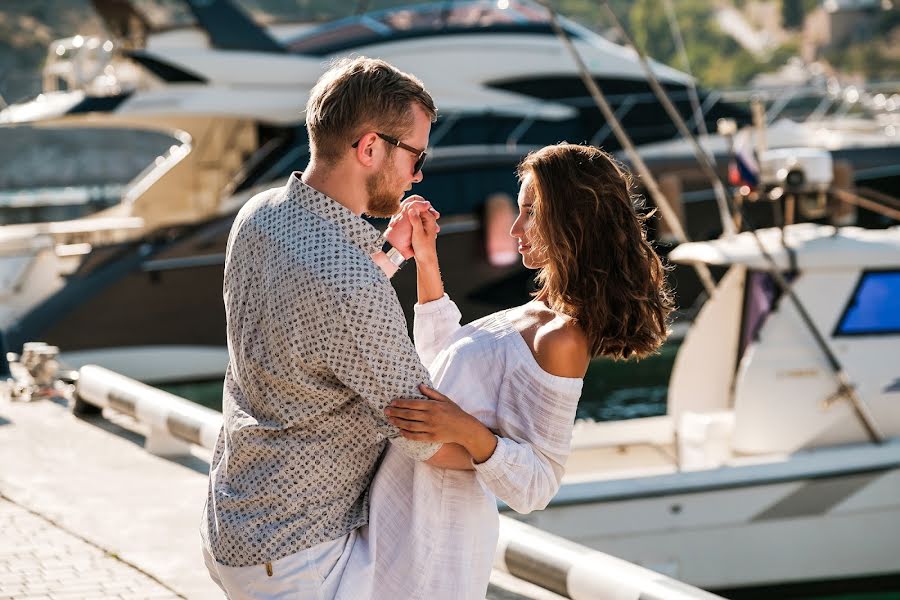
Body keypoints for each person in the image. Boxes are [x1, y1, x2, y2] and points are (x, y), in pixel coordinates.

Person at [336, 143, 675, 599]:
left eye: (530, 213)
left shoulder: (562, 339)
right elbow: (442, 368)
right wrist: (426, 258)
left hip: (435, 544)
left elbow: (538, 485)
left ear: (572, 220)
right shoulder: (535, 310)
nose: (515, 228)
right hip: (400, 514)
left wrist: (467, 431)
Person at [200, 56, 474, 600]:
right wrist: (509, 456)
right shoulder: (350, 286)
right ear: (370, 148)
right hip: (301, 555)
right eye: (415, 155)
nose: (418, 175)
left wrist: (391, 257)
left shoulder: (258, 215)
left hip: (234, 519)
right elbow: (422, 432)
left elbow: (312, 319)